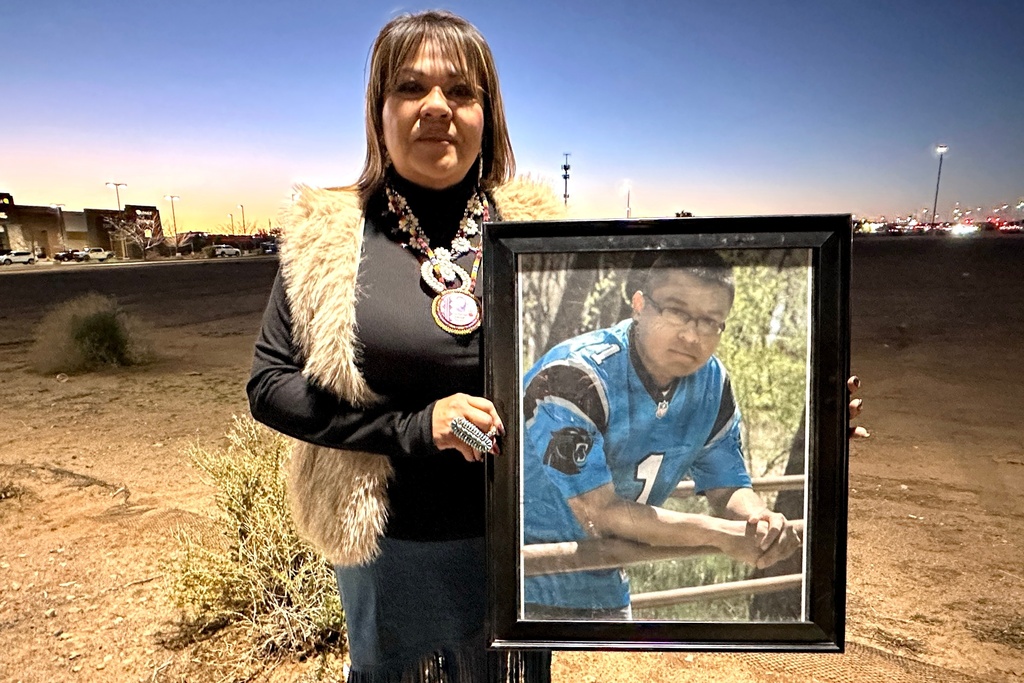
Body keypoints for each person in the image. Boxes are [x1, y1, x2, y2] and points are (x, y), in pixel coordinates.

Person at [247, 10, 561, 682]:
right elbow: (269, 386)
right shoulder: (328, 233)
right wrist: (414, 426)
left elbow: (603, 368)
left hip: (517, 541)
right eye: (412, 89)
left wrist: (813, 406)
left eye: (462, 92)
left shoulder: (541, 232)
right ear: (379, 111)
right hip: (391, 549)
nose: (437, 108)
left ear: (489, 113)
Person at [522, 251, 821, 618]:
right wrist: (718, 534)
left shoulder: (712, 383)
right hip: (524, 578)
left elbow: (726, 487)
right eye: (677, 312)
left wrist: (760, 520)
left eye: (710, 321)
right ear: (638, 305)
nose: (692, 335)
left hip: (606, 579)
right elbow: (601, 513)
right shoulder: (572, 377)